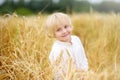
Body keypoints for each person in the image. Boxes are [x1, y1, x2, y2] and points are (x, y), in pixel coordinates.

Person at [44, 12, 88, 80]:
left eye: (66, 26)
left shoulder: (76, 39)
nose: (64, 31)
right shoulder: (57, 50)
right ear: (53, 34)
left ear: (70, 26)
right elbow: (58, 74)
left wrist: (85, 72)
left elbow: (83, 58)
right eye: (58, 30)